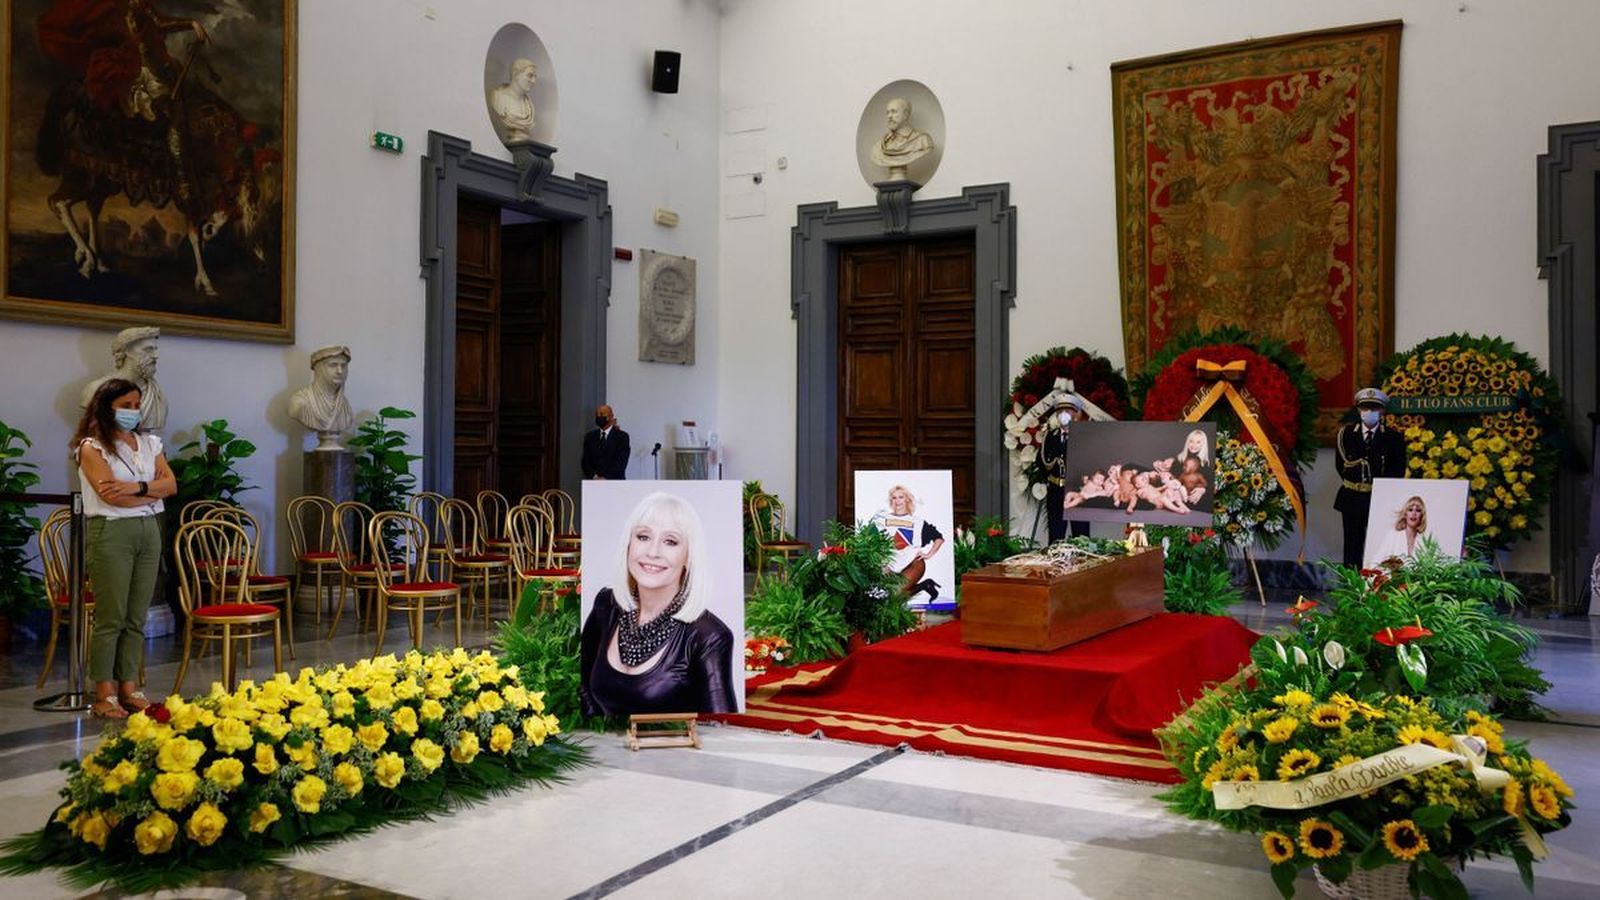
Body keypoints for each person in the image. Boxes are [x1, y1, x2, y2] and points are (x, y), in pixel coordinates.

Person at [71, 378, 177, 719]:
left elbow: (170, 484)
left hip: (149, 530)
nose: (133, 411)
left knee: (136, 616)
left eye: (136, 405)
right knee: (111, 616)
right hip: (112, 531)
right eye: (126, 406)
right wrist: (150, 491)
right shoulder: (92, 447)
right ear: (107, 407)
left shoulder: (149, 443)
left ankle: (129, 687)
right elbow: (108, 494)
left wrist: (137, 487)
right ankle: (104, 692)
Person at [580, 492, 736, 716]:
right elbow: (584, 687)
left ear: (689, 558)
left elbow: (721, 726)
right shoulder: (606, 604)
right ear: (628, 545)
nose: (653, 552)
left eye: (670, 542)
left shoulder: (709, 636)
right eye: (643, 537)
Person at [1334, 388, 1408, 567]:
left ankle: (1377, 585)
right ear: (1359, 410)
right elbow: (1340, 465)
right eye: (1365, 408)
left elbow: (1398, 470)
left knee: (1380, 545)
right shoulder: (1346, 435)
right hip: (1352, 496)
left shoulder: (1393, 438)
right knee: (1352, 545)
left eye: (1374, 409)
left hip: (1380, 498)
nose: (1369, 413)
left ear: (1382, 411)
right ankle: (1352, 587)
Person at [868, 485, 945, 605]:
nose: (897, 501)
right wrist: (882, 563)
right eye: (894, 498)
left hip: (914, 563)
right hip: (889, 565)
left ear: (907, 499)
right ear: (891, 500)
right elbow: (871, 543)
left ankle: (924, 585)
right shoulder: (881, 520)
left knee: (894, 594)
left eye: (901, 497)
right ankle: (925, 585)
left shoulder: (918, 523)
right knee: (883, 597)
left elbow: (939, 538)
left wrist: (928, 554)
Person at [81, 326, 166, 433]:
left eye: (155, 350)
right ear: (127, 351)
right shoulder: (96, 389)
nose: (156, 356)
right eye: (148, 350)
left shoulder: (156, 393)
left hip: (144, 446)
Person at [1041, 397, 1090, 541]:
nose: (1063, 414)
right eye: (1060, 411)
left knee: (1081, 537)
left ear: (1077, 414)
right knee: (1056, 536)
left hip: (1077, 492)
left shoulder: (1085, 437)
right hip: (1056, 491)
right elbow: (1041, 461)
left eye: (1068, 410)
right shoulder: (1050, 436)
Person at [288, 345, 354, 448]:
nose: (340, 371)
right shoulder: (300, 401)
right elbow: (294, 410)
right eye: (333, 365)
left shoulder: (346, 406)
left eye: (343, 366)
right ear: (319, 368)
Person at [869, 97, 935, 179]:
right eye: (887, 112)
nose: (889, 116)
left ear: (906, 114)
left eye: (894, 112)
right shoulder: (878, 146)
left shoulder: (922, 140)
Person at [489, 58, 537, 142]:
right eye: (529, 76)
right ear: (515, 75)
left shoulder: (529, 106)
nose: (533, 81)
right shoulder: (498, 98)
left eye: (535, 77)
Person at [1372, 495, 1428, 564]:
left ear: (1422, 516)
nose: (1414, 513)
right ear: (1405, 514)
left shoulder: (1424, 541)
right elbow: (1375, 562)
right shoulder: (1393, 535)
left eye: (1418, 510)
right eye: (1410, 510)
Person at [581, 404, 630, 480]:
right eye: (597, 415)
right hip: (593, 484)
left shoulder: (622, 437)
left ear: (611, 416)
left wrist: (606, 478)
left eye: (602, 414)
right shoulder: (590, 437)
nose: (599, 417)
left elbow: (621, 462)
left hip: (615, 483)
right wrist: (595, 477)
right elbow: (585, 462)